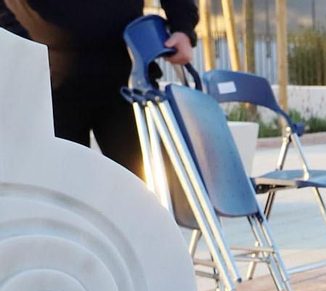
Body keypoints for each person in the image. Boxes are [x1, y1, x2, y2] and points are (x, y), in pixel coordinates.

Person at [0, 0, 197, 179]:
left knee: (145, 190)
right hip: (44, 80)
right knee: (57, 192)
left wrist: (183, 28)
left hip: (127, 78)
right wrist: (20, 44)